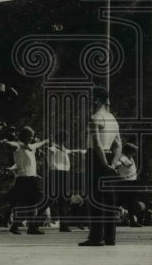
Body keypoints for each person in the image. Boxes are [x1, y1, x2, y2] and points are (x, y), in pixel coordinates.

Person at [81, 86, 122, 247]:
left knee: (96, 199)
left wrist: (104, 164)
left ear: (96, 99)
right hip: (110, 159)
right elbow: (118, 145)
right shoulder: (112, 119)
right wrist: (112, 163)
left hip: (96, 159)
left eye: (91, 99)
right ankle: (110, 238)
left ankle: (96, 237)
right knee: (109, 200)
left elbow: (97, 144)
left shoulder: (95, 118)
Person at [4, 127, 48, 235]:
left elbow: (39, 144)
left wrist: (46, 141)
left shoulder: (31, 147)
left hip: (32, 178)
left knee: (34, 203)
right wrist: (6, 142)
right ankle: (16, 225)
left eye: (32, 136)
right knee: (24, 203)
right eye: (29, 136)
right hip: (23, 178)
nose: (31, 138)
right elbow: (13, 145)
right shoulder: (18, 146)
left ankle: (31, 227)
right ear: (23, 136)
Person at [45, 134, 87, 232]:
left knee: (62, 200)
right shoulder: (54, 148)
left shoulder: (62, 148)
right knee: (53, 199)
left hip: (63, 174)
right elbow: (51, 151)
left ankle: (64, 225)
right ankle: (68, 223)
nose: (64, 141)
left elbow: (70, 151)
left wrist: (80, 151)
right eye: (63, 139)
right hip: (57, 173)